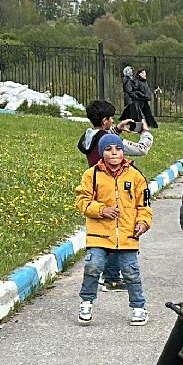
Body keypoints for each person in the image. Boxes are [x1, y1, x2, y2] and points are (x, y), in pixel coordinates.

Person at [74, 133, 153, 327]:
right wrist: (102, 210)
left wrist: (143, 222)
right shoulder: (92, 175)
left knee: (131, 271)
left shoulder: (136, 176)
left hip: (127, 235)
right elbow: (82, 201)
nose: (114, 153)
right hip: (99, 234)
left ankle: (138, 308)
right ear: (102, 153)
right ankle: (86, 302)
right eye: (108, 150)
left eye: (117, 149)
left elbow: (144, 205)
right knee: (93, 266)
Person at [77, 100, 153, 167]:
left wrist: (117, 129)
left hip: (94, 178)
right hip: (110, 180)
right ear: (104, 121)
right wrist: (146, 132)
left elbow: (100, 136)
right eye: (111, 118)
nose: (112, 121)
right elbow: (142, 149)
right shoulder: (111, 141)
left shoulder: (88, 135)